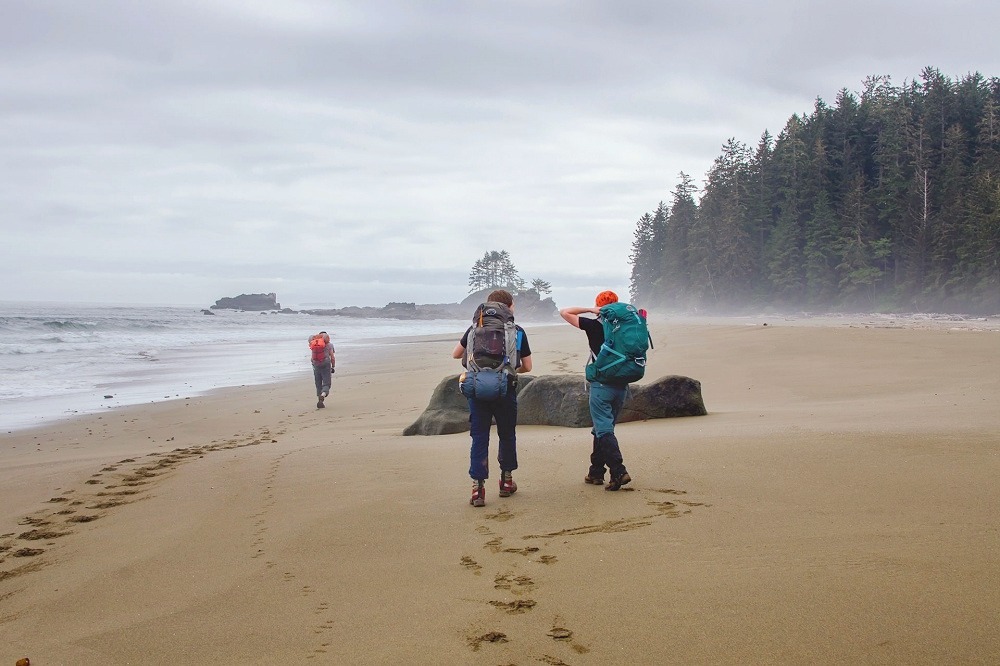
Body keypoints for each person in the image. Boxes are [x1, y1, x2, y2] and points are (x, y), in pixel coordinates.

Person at [452, 289, 532, 507]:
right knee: (507, 435)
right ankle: (506, 483)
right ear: (509, 307)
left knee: (479, 437)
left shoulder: (474, 328)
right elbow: (528, 366)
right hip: (505, 389)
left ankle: (478, 490)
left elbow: (455, 354)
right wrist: (507, 369)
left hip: (477, 390)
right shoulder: (517, 330)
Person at [559, 291, 632, 490]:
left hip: (602, 384)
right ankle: (596, 472)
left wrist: (590, 310)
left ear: (599, 307)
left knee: (604, 429)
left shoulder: (593, 325)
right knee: (602, 428)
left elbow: (565, 312)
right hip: (622, 384)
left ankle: (619, 470)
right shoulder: (626, 326)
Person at [308, 331, 336, 409]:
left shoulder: (314, 344)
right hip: (326, 363)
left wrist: (314, 364)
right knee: (327, 383)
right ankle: (323, 395)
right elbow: (332, 357)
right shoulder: (330, 345)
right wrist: (333, 366)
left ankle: (320, 400)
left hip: (316, 364)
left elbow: (312, 358)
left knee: (318, 382)